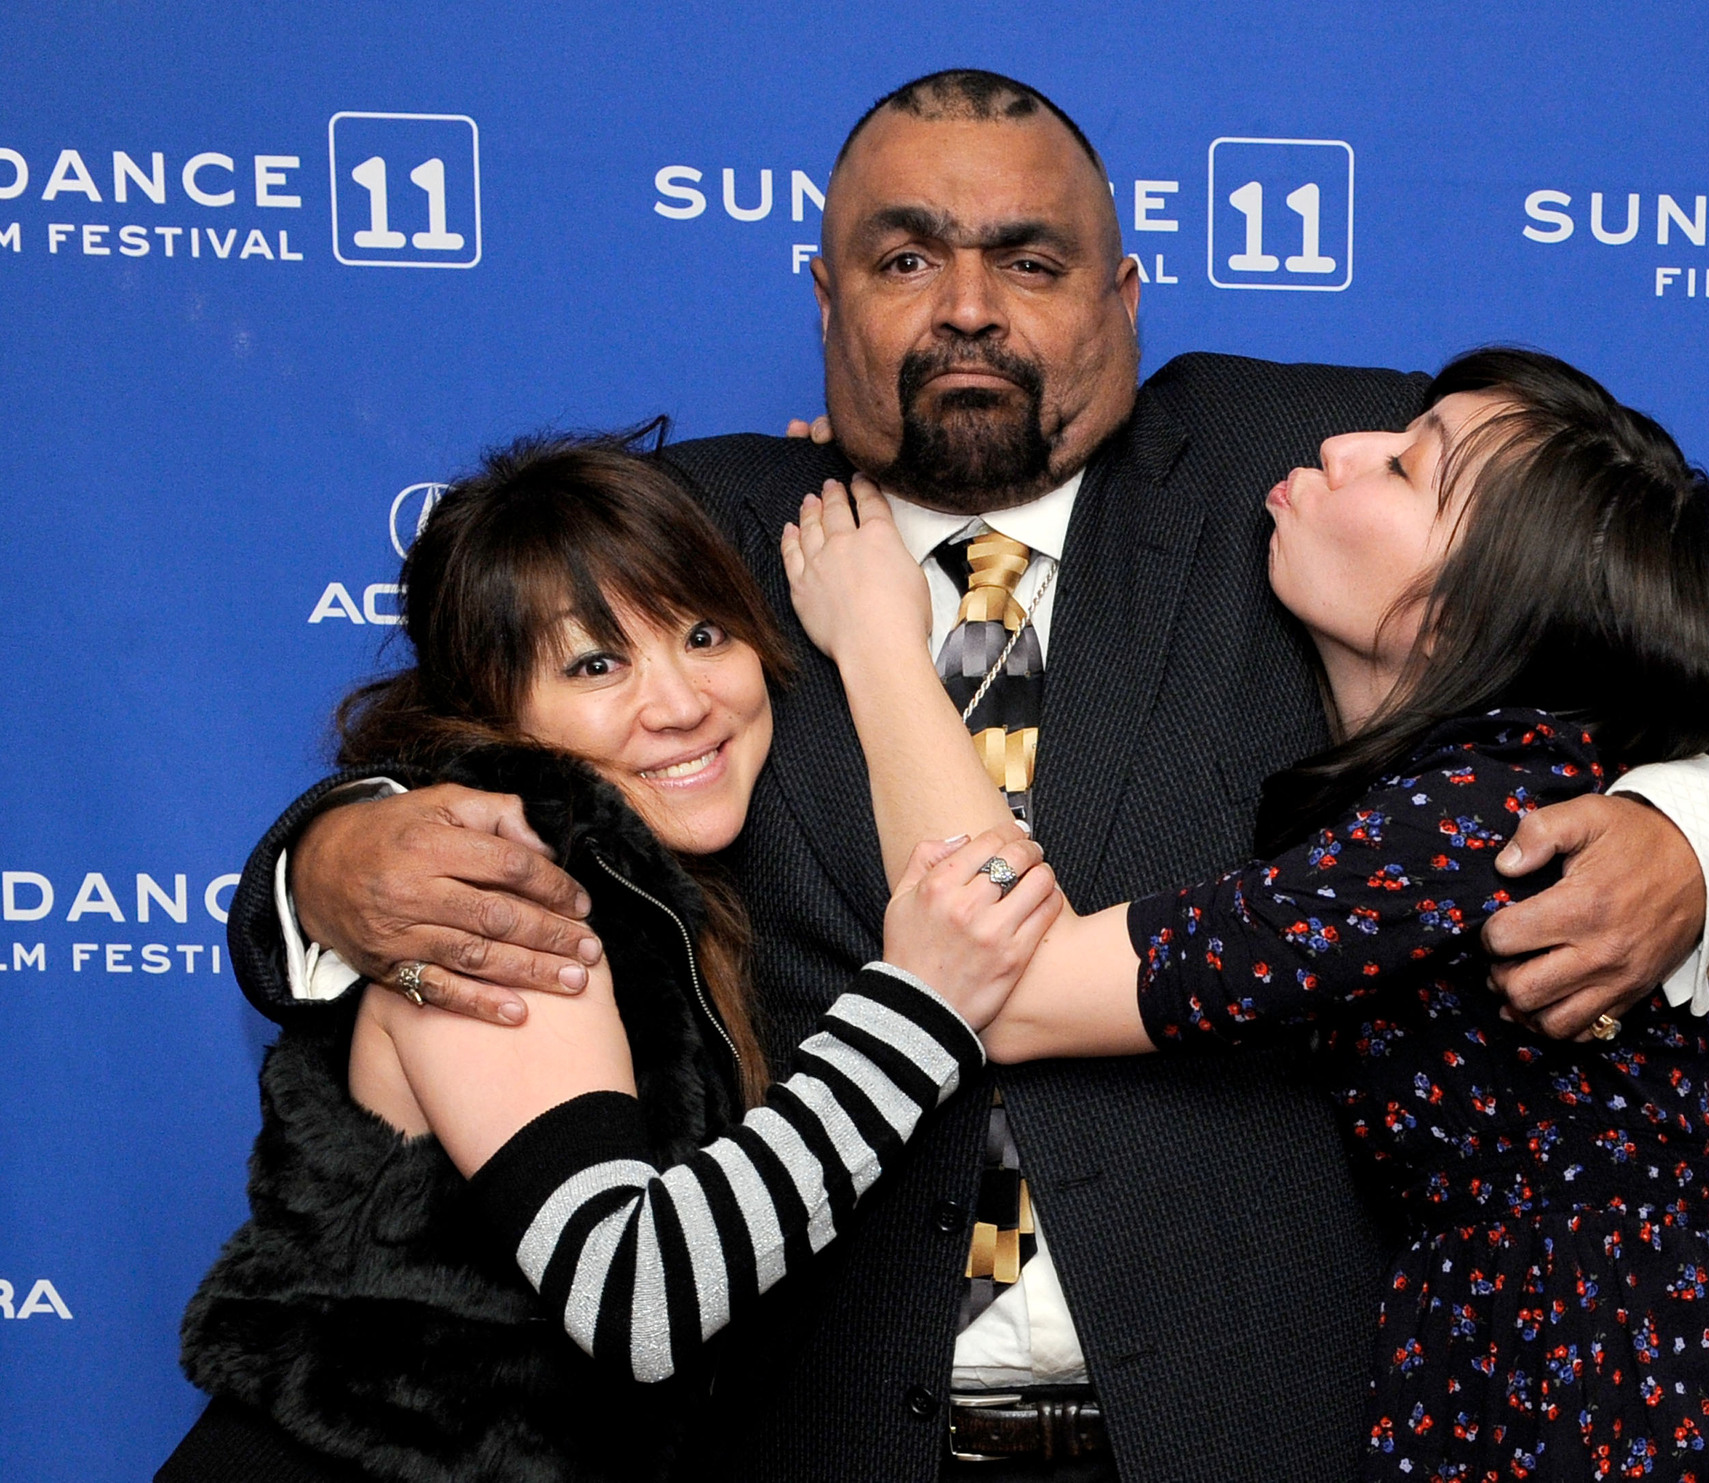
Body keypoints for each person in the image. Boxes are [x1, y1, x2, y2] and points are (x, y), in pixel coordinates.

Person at [225, 72, 1709, 1481]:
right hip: (811, 1420)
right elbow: (457, 738)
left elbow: (1647, 635)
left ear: (1122, 294)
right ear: (825, 299)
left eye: (1030, 261)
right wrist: (330, 869)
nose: (967, 308)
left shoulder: (1311, 468)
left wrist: (1695, 823)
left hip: (1268, 1420)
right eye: (905, 260)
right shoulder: (690, 541)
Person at [782, 348, 1709, 1482]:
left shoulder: (1473, 822)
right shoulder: (1452, 793)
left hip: (1593, 1403)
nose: (1335, 448)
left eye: (1401, 469)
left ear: (1468, 609)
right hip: (1514, 1370)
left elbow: (1004, 984)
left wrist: (880, 632)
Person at [160, 435, 1056, 1482]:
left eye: (703, 632)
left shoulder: (663, 889)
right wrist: (919, 1003)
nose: (679, 702)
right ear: (495, 707)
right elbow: (635, 1291)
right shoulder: (500, 883)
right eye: (595, 663)